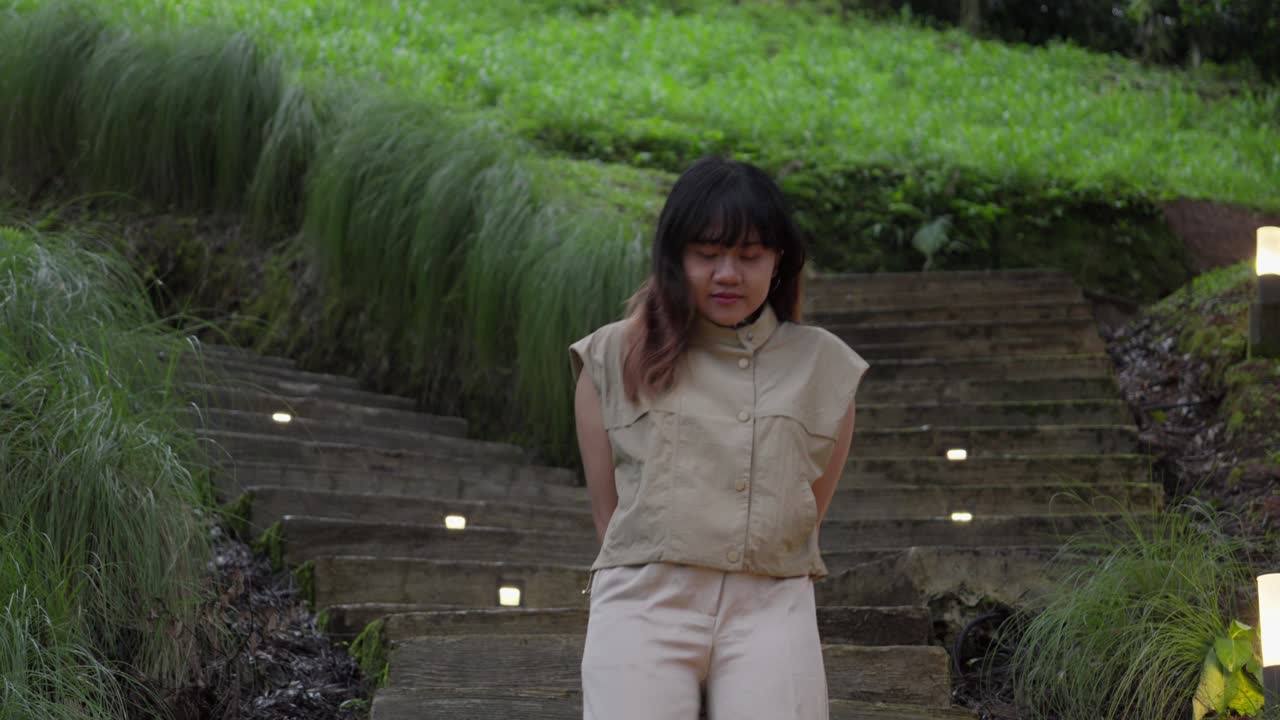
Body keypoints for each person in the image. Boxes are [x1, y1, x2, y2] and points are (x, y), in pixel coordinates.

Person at [569, 156, 869, 720]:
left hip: (772, 604)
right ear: (675, 257)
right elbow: (609, 516)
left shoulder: (823, 367)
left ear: (779, 262)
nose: (727, 273)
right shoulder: (611, 357)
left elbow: (806, 512)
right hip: (643, 603)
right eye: (707, 254)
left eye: (749, 256)